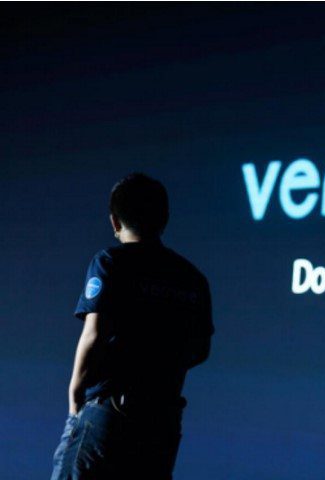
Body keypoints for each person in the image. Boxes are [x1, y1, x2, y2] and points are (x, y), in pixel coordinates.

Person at [50, 172, 214, 479]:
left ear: (115, 221)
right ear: (164, 219)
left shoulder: (110, 262)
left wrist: (75, 394)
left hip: (110, 413)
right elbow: (201, 350)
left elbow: (94, 335)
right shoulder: (193, 278)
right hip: (162, 421)